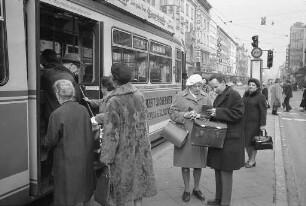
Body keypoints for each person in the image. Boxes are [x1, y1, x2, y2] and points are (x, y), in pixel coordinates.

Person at [99, 63, 156, 206]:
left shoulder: (114, 100)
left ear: (114, 79)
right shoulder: (139, 95)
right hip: (140, 149)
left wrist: (107, 157)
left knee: (120, 190)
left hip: (122, 153)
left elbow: (112, 133)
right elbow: (144, 123)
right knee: (138, 186)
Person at [44, 79, 94, 206]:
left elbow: (50, 140)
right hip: (84, 158)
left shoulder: (56, 114)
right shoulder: (83, 110)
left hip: (65, 161)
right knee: (83, 190)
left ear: (58, 94)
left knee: (66, 193)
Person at [169, 74, 212, 203]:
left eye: (200, 86)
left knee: (198, 164)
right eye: (195, 86)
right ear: (189, 86)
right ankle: (187, 189)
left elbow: (210, 114)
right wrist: (185, 115)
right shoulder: (180, 96)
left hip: (200, 134)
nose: (198, 88)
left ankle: (197, 188)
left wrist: (200, 115)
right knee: (185, 164)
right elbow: (172, 113)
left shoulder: (206, 97)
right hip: (184, 134)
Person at [206, 74, 245, 206]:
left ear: (223, 83)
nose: (214, 90)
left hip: (229, 139)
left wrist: (217, 112)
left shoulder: (234, 95)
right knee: (218, 169)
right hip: (220, 138)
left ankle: (225, 202)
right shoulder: (220, 95)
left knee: (226, 172)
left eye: (215, 86)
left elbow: (238, 114)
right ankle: (218, 199)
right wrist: (207, 115)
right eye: (212, 87)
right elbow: (218, 113)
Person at [41, 50, 81, 126]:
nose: (78, 70)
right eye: (78, 67)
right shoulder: (68, 78)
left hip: (50, 116)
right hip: (64, 120)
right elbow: (76, 99)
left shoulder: (47, 73)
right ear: (71, 65)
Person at [243, 78, 267, 168]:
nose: (251, 86)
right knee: (246, 143)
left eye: (253, 85)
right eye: (249, 85)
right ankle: (250, 159)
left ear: (257, 87)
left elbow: (263, 111)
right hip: (244, 123)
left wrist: (262, 124)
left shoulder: (261, 97)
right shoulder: (246, 95)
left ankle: (252, 160)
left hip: (255, 125)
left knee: (252, 143)